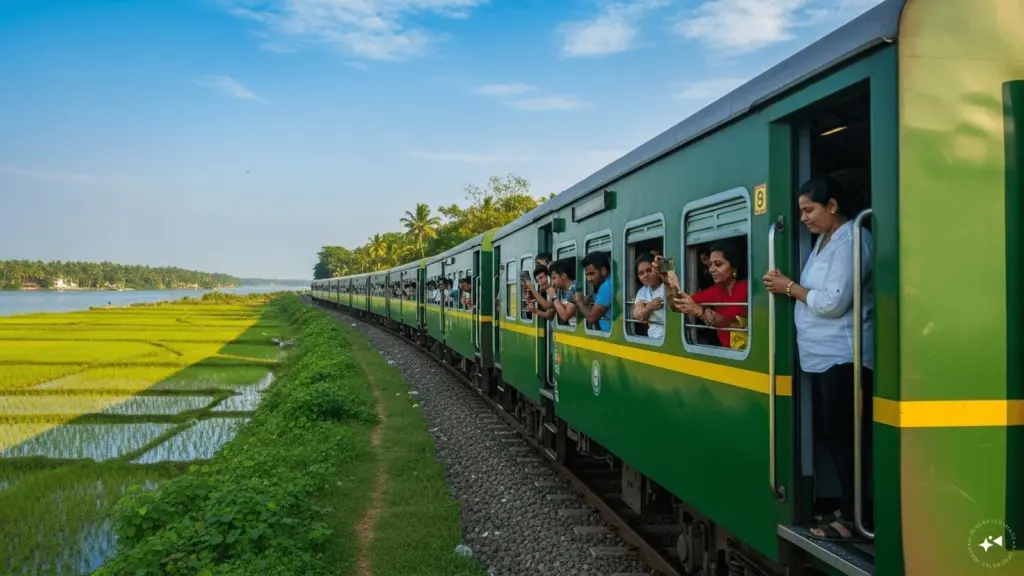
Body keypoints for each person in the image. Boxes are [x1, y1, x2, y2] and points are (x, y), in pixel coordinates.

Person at [762, 175, 873, 542]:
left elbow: (833, 302)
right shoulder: (825, 241)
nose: (804, 218)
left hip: (846, 358)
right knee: (836, 436)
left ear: (833, 206)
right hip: (824, 359)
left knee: (846, 439)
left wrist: (789, 288)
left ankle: (857, 518)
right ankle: (850, 505)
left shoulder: (853, 241)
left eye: (809, 209)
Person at [667, 239, 748, 348]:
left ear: (734, 266)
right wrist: (669, 284)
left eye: (718, 264)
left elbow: (726, 322)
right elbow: (677, 306)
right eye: (710, 265)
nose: (711, 270)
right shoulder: (716, 290)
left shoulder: (747, 288)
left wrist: (699, 311)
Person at [575, 252, 612, 332]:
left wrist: (579, 302)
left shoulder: (606, 286)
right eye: (587, 275)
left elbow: (591, 318)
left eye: (592, 274)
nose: (588, 279)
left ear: (603, 270)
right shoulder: (609, 283)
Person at [632, 252, 666, 339]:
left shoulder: (667, 286)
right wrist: (649, 308)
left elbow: (672, 276)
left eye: (649, 270)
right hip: (653, 338)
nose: (645, 275)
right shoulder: (642, 291)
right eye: (641, 273)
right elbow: (639, 317)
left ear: (656, 269)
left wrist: (663, 262)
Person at [543, 259, 578, 327]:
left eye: (554, 278)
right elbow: (549, 306)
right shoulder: (561, 290)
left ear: (564, 276)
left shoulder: (575, 288)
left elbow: (565, 316)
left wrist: (554, 297)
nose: (552, 282)